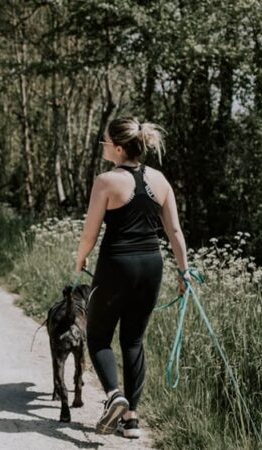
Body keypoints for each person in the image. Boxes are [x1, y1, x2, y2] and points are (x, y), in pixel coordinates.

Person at [74, 117, 189, 439]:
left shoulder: (106, 181)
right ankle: (133, 420)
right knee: (134, 340)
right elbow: (175, 231)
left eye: (105, 142)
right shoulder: (161, 180)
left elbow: (90, 232)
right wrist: (184, 271)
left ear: (119, 147)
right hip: (152, 265)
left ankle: (115, 396)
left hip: (116, 266)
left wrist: (81, 257)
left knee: (97, 337)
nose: (104, 147)